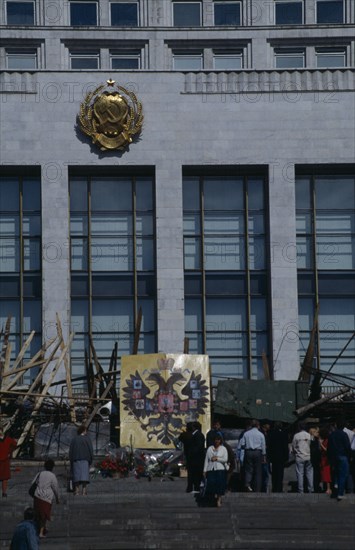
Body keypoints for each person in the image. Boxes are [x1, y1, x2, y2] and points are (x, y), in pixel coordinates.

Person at [32, 458, 60, 538]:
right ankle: (41, 532)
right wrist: (57, 498)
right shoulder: (52, 476)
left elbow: (33, 482)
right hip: (46, 498)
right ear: (52, 467)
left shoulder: (40, 473)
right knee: (44, 516)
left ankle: (39, 530)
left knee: (38, 514)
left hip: (37, 496)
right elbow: (55, 488)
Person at [238, 419, 266, 492]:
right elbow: (263, 446)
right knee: (258, 471)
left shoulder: (246, 434)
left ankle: (247, 485)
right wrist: (264, 456)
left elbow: (242, 444)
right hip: (258, 452)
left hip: (248, 452)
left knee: (248, 470)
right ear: (258, 426)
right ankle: (257, 488)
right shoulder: (261, 434)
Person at [327, 419, 351, 501]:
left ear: (336, 425)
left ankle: (336, 486)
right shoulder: (344, 434)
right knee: (343, 475)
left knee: (336, 473)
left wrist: (329, 458)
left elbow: (329, 448)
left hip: (334, 457)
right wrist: (349, 456)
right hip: (342, 456)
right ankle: (340, 493)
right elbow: (347, 446)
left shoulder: (331, 434)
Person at [203, 435, 228, 507]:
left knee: (220, 485)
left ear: (220, 441)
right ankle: (213, 498)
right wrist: (204, 470)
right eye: (215, 440)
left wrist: (217, 458)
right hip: (211, 469)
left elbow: (225, 459)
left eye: (218, 440)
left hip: (220, 469)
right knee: (211, 484)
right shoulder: (210, 449)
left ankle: (219, 499)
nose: (216, 441)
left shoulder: (223, 449)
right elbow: (206, 460)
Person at [69, 424, 94, 496]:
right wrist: (91, 459)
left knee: (76, 476)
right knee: (85, 476)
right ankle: (84, 490)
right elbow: (90, 450)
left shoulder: (74, 439)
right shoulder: (87, 439)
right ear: (84, 431)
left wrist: (71, 460)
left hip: (76, 460)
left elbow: (71, 451)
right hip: (85, 459)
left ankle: (76, 490)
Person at [292, 423, 313, 494]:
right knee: (309, 473)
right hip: (308, 456)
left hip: (299, 456)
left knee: (300, 473)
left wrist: (296, 452)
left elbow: (294, 447)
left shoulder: (296, 436)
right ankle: (310, 489)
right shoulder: (309, 435)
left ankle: (301, 490)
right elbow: (312, 445)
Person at [268, 421, 289, 493]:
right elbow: (285, 446)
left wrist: (269, 456)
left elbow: (269, 446)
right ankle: (279, 488)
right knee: (280, 473)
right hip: (281, 456)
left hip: (273, 456)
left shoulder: (271, 433)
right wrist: (286, 457)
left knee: (274, 472)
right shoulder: (284, 434)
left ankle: (274, 487)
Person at [184, 421, 205, 493]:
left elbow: (198, 447)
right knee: (191, 474)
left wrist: (191, 453)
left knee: (196, 474)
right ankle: (190, 488)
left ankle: (196, 488)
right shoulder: (192, 435)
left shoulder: (199, 435)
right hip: (192, 460)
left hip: (196, 460)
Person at [0, 426, 17, 498]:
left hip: (5, 461)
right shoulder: (7, 439)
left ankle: (4, 492)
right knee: (4, 478)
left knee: (5, 478)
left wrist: (10, 451)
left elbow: (14, 444)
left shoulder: (8, 439)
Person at [178, 422, 194, 492]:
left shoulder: (185, 435)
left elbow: (180, 439)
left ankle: (189, 487)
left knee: (190, 472)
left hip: (188, 454)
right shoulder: (193, 435)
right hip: (194, 454)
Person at [319, 426, 332, 495]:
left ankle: (328, 488)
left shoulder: (326, 440)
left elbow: (327, 450)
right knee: (325, 474)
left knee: (327, 474)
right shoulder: (325, 440)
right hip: (323, 459)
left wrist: (321, 445)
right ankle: (326, 488)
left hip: (326, 459)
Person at [260, 419, 271, 493]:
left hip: (266, 456)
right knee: (264, 472)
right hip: (262, 456)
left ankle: (265, 487)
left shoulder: (267, 433)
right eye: (268, 424)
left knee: (266, 472)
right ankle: (263, 488)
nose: (269, 426)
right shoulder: (261, 433)